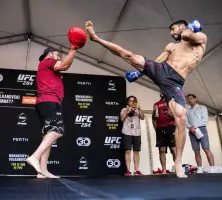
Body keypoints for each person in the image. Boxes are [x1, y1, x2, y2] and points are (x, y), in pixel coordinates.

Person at [85, 19, 207, 178]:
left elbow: (187, 35)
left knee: (181, 119)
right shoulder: (171, 46)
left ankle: (178, 162)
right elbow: (158, 61)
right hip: (162, 69)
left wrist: (188, 29)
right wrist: (140, 73)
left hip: (175, 82)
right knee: (129, 56)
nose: (171, 33)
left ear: (183, 26)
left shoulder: (201, 38)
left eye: (173, 29)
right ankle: (96, 38)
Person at [26, 46, 78, 178]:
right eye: (57, 55)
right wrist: (74, 49)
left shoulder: (47, 66)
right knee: (57, 131)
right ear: (49, 54)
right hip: (49, 100)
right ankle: (34, 157)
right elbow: (65, 65)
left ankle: (42, 171)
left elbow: (65, 64)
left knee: (48, 135)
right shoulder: (47, 61)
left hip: (47, 101)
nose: (59, 57)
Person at [186, 94, 215, 173]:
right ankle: (199, 168)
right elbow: (186, 121)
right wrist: (190, 127)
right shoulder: (187, 110)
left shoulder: (202, 107)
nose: (190, 100)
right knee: (196, 150)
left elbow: (205, 119)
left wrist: (195, 127)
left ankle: (212, 168)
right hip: (192, 130)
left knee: (206, 148)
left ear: (195, 99)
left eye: (191, 98)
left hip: (201, 128)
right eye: (188, 99)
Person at [120, 96, 144, 176]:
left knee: (136, 151)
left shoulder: (137, 110)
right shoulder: (124, 109)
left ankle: (137, 170)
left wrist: (140, 109)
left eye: (134, 101)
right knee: (127, 151)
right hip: (127, 132)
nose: (132, 102)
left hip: (137, 133)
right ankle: (128, 170)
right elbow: (122, 119)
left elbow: (142, 117)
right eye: (130, 101)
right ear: (128, 102)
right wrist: (127, 110)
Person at [152, 92, 176, 174]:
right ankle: (164, 170)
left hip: (170, 128)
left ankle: (177, 168)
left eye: (163, 91)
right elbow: (153, 119)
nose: (162, 93)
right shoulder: (156, 104)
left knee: (174, 149)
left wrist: (170, 114)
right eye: (160, 91)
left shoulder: (171, 102)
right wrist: (156, 129)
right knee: (161, 150)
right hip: (160, 128)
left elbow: (177, 116)